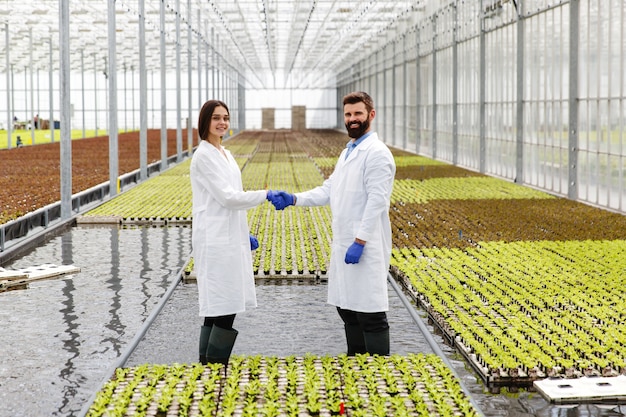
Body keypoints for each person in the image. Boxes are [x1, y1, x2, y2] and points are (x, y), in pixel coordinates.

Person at [268, 91, 396, 355]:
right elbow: (330, 189)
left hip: (365, 246)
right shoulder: (348, 151)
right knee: (347, 309)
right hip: (343, 244)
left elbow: (377, 202)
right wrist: (294, 198)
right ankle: (357, 362)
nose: (352, 119)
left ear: (371, 115)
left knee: (370, 312)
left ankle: (380, 373)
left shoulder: (377, 154)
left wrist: (360, 241)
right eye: (348, 114)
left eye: (358, 113)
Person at [190, 99, 273, 365]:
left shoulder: (224, 152)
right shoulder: (204, 155)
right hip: (215, 240)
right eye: (216, 118)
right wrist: (266, 194)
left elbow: (231, 197)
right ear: (205, 122)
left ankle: (206, 363)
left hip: (227, 236)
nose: (222, 122)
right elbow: (227, 198)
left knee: (219, 305)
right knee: (224, 304)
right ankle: (215, 364)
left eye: (225, 117)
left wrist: (242, 232)